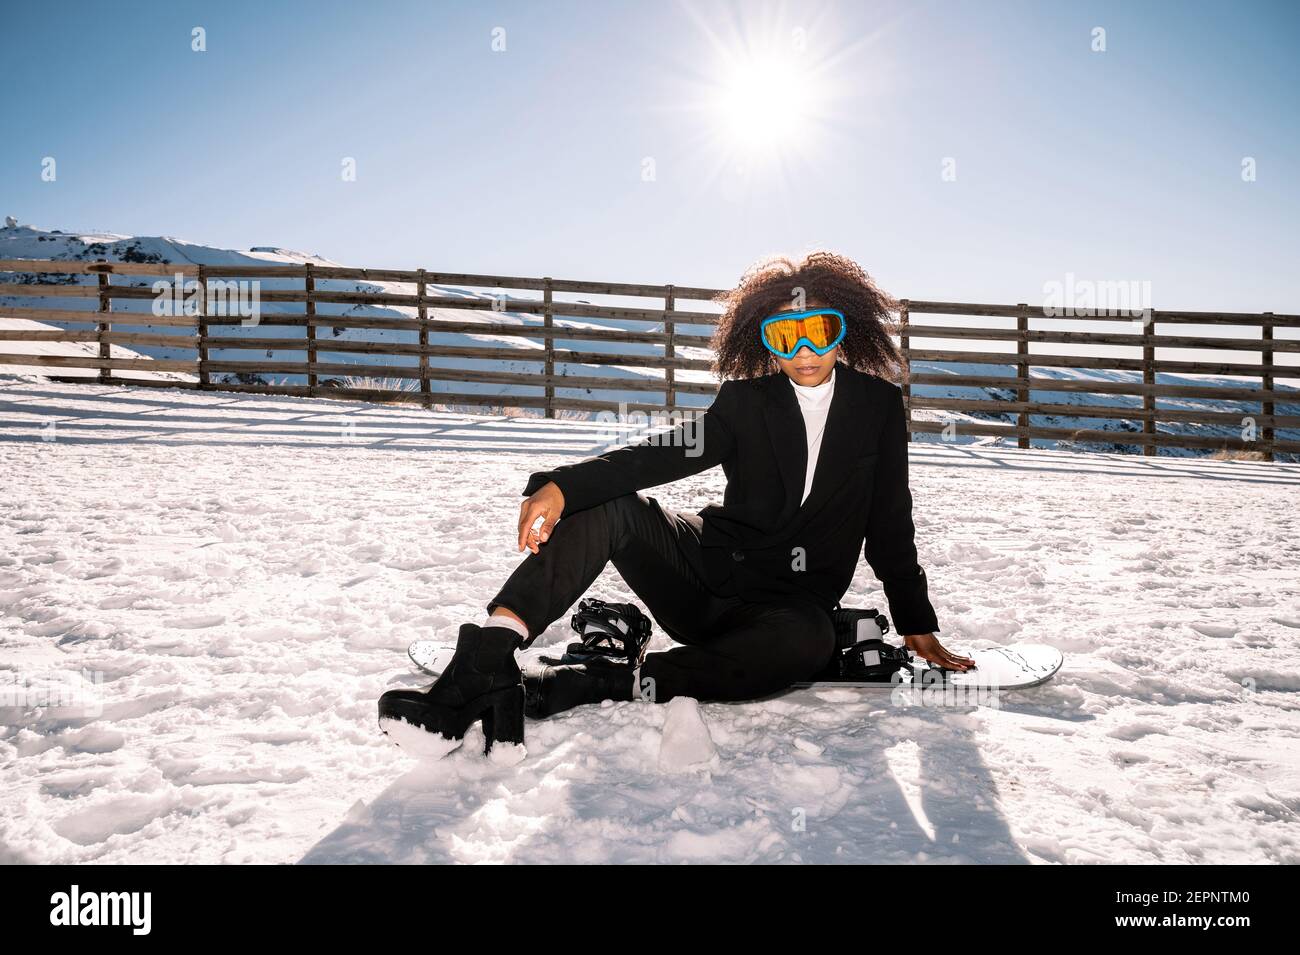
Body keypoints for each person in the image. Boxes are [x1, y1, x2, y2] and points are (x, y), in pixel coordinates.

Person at [378, 251, 972, 751]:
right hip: (705, 577)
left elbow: (889, 519)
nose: (803, 349)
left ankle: (605, 680)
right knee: (606, 505)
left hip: (788, 608)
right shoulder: (745, 402)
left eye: (819, 330)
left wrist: (916, 622)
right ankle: (486, 661)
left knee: (805, 644)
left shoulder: (877, 407)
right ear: (764, 340)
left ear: (844, 329)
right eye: (784, 335)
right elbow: (666, 454)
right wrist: (564, 483)